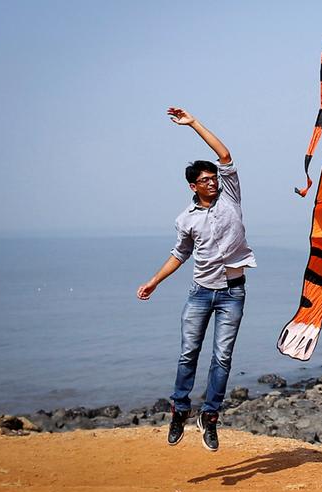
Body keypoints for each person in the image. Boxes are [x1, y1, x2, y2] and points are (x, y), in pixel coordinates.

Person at [136, 107, 256, 451]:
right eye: (206, 180)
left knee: (222, 358)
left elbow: (225, 155)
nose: (213, 182)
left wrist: (193, 124)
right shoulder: (185, 219)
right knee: (188, 353)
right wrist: (154, 281)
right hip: (201, 293)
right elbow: (180, 254)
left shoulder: (230, 196)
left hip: (233, 292)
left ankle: (210, 416)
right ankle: (179, 409)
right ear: (193, 186)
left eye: (214, 178)